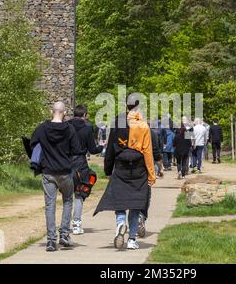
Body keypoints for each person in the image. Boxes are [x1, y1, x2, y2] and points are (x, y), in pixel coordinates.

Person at [94, 97, 156, 250]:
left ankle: (121, 223)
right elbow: (148, 152)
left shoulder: (117, 123)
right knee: (135, 204)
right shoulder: (143, 125)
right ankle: (132, 239)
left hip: (121, 166)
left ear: (126, 106)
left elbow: (110, 149)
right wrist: (151, 174)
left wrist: (108, 169)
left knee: (120, 199)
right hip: (139, 167)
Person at [30, 102, 81, 252]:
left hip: (48, 172)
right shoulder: (70, 129)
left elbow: (33, 144)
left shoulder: (41, 128)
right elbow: (77, 150)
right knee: (67, 200)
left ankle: (51, 241)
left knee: (50, 205)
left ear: (51, 111)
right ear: (64, 112)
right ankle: (64, 234)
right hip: (64, 171)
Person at [67, 105, 103, 235]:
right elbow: (92, 149)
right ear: (85, 115)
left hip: (65, 163)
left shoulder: (66, 125)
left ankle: (65, 226)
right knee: (80, 193)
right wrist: (101, 148)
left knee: (67, 196)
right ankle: (76, 224)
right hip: (80, 163)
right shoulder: (87, 127)